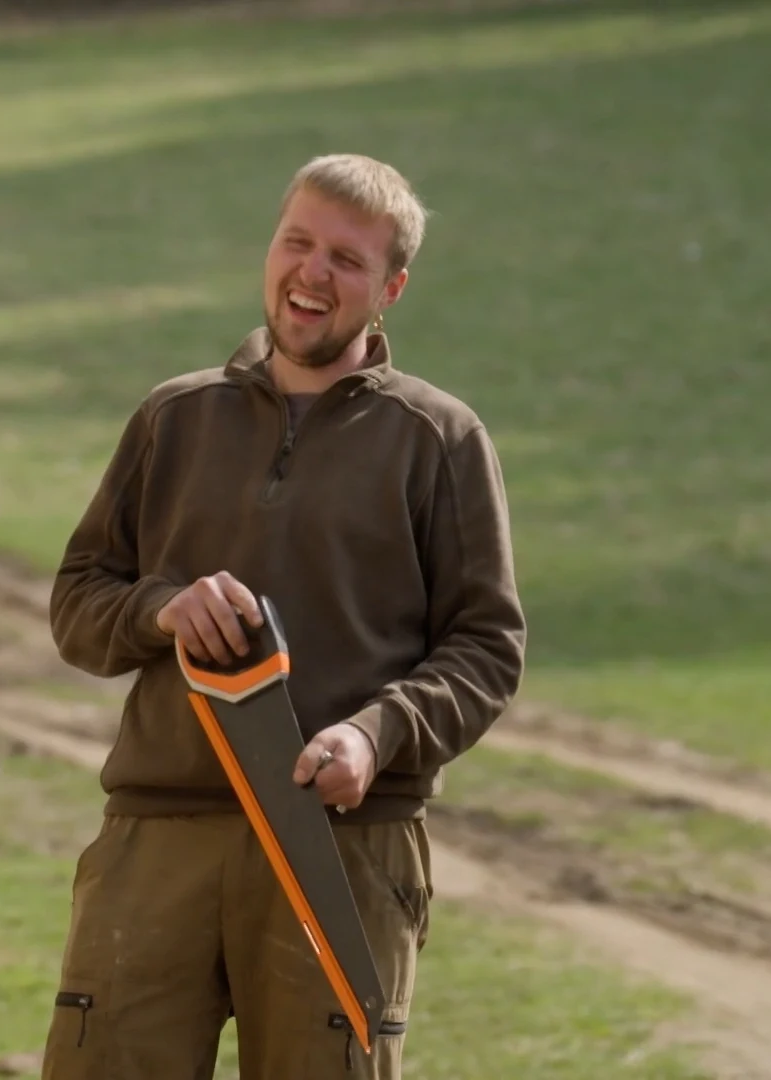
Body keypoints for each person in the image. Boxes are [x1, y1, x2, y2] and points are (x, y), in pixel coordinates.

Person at [39, 153, 526, 1079]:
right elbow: (77, 603)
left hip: (344, 849)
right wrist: (159, 610)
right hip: (158, 837)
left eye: (347, 258)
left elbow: (487, 649)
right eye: (297, 241)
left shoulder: (439, 439)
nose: (312, 272)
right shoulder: (173, 417)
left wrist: (377, 737)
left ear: (391, 287)